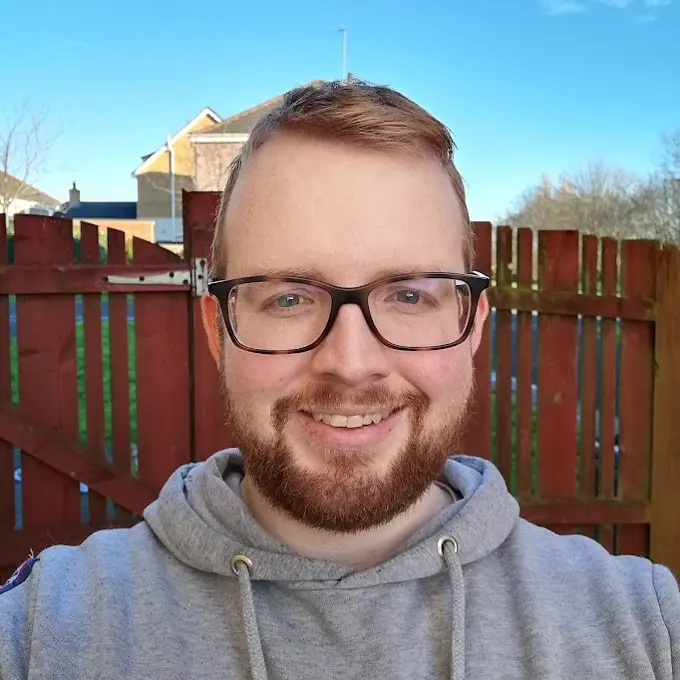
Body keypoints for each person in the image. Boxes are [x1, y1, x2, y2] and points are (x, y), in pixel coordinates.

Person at [0, 79, 678, 680]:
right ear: (217, 333)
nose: (351, 364)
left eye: (410, 296)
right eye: (289, 298)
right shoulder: (43, 635)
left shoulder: (646, 625)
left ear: (472, 326)